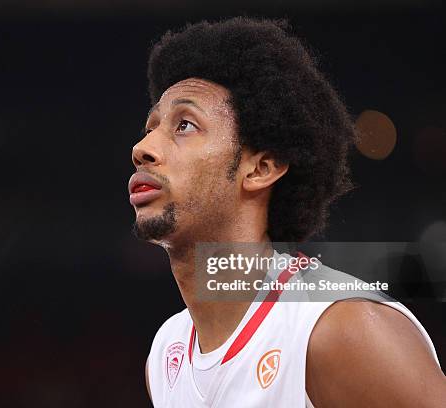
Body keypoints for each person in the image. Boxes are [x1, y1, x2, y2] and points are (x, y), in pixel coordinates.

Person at [128, 17, 446, 407]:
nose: (142, 148)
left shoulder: (339, 330)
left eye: (185, 125)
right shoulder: (165, 355)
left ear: (261, 168)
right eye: (151, 127)